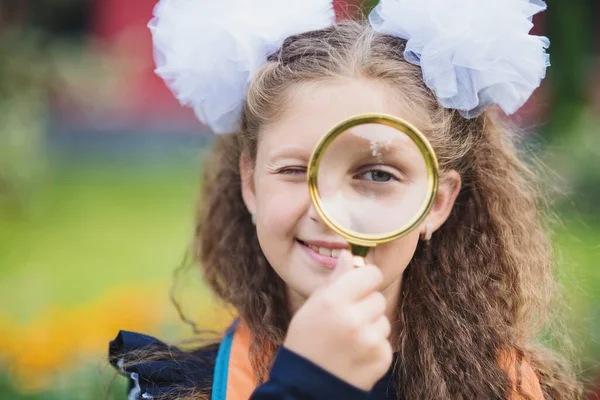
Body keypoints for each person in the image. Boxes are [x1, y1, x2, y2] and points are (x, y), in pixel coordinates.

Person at [108, 0, 583, 398]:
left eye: (377, 173)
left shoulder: (511, 388)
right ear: (250, 184)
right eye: (295, 171)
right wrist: (305, 386)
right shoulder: (174, 389)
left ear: (436, 203)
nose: (327, 211)